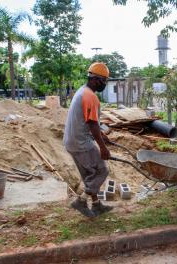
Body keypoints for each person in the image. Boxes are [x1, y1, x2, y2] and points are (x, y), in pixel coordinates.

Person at [64, 62, 112, 217]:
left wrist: (102, 137)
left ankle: (96, 205)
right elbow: (92, 125)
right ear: (95, 79)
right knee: (102, 170)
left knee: (89, 175)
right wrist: (103, 147)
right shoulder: (90, 96)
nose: (103, 85)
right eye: (103, 82)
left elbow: (89, 122)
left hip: (71, 141)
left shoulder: (81, 92)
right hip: (81, 143)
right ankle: (81, 201)